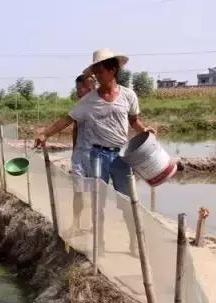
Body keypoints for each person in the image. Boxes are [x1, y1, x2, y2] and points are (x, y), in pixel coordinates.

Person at [35, 48, 155, 255]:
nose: (97, 76)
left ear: (112, 70)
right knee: (97, 203)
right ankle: (99, 243)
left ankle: (134, 243)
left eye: (100, 71)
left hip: (122, 157)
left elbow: (133, 121)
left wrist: (144, 130)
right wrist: (45, 133)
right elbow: (67, 119)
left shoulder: (128, 95)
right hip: (97, 156)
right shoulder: (88, 101)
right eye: (95, 72)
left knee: (128, 202)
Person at [69, 74, 95, 234]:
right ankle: (76, 224)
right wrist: (74, 150)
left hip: (95, 154)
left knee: (95, 192)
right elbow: (75, 128)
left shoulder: (99, 105)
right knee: (78, 190)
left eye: (80, 89)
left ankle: (96, 224)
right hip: (80, 153)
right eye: (77, 89)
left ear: (90, 88)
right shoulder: (79, 106)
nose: (78, 92)